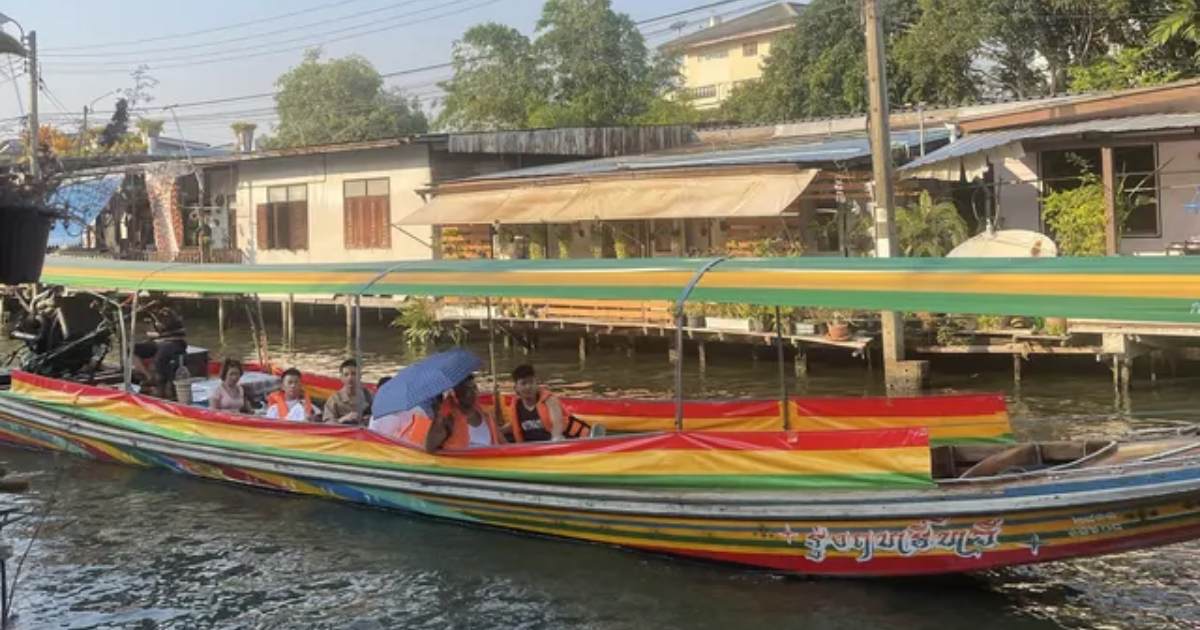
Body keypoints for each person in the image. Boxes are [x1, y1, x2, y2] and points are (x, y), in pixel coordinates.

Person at [502, 364, 591, 443]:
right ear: (516, 388)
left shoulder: (550, 401)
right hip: (536, 444)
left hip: (575, 438)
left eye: (531, 382)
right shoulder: (517, 406)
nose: (528, 387)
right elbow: (514, 425)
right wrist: (498, 431)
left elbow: (557, 424)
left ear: (536, 383)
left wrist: (556, 438)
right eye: (523, 383)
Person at [424, 375, 503, 452]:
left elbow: (503, 443)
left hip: (488, 459)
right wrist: (438, 417)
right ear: (457, 392)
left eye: (474, 387)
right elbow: (429, 447)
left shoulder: (486, 416)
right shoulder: (450, 418)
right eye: (467, 389)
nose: (473, 392)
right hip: (459, 460)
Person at [146, 305, 188, 400]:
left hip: (172, 346)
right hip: (175, 345)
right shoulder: (175, 323)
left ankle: (160, 387)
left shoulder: (172, 324)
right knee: (162, 357)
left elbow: (166, 334)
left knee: (160, 361)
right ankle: (163, 386)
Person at [322, 358, 373, 425]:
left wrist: (370, 418)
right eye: (346, 375)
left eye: (354, 374)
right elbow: (327, 424)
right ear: (341, 378)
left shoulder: (368, 395)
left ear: (360, 376)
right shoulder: (334, 399)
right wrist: (343, 419)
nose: (350, 378)